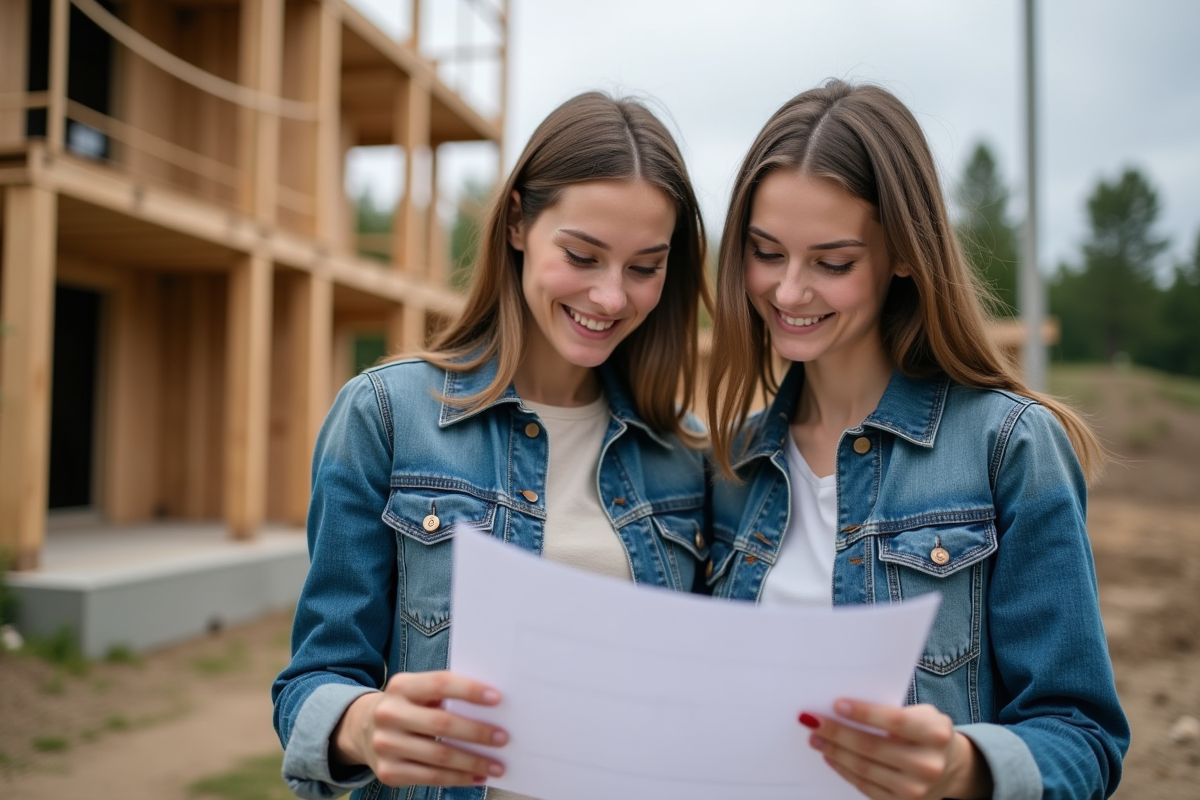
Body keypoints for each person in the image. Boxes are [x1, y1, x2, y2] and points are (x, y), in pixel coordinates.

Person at [273, 91, 711, 800]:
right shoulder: (387, 416)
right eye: (582, 254)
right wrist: (363, 723)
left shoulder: (685, 454)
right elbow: (313, 682)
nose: (609, 297)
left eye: (644, 267)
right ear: (517, 223)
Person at [705, 80, 1128, 800]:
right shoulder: (729, 464)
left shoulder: (1010, 448)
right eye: (766, 252)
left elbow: (1082, 734)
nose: (788, 292)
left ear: (903, 254)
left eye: (832, 262)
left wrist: (966, 768)